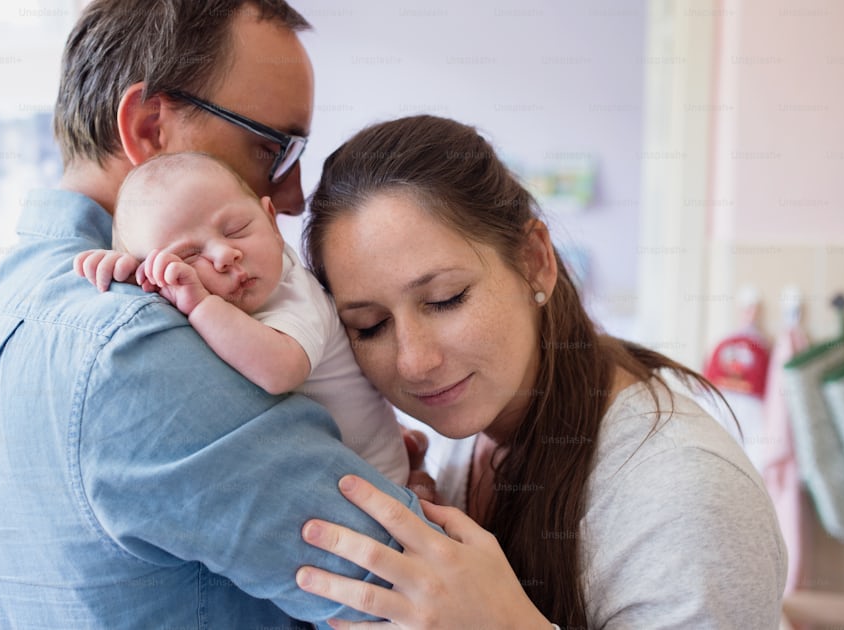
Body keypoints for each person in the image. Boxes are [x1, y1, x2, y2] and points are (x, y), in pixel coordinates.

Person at [0, 2, 434, 628]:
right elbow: (418, 588)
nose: (293, 193)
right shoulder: (138, 346)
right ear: (148, 129)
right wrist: (419, 498)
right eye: (271, 148)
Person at [291, 115, 788, 629]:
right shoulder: (475, 425)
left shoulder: (686, 497)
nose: (414, 362)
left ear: (534, 260)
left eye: (446, 300)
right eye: (370, 326)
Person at [73, 152, 409, 483]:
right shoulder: (196, 292)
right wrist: (128, 278)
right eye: (188, 256)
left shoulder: (293, 293)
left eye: (236, 230)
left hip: (376, 481)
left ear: (271, 222)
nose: (224, 255)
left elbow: (280, 371)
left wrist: (201, 305)